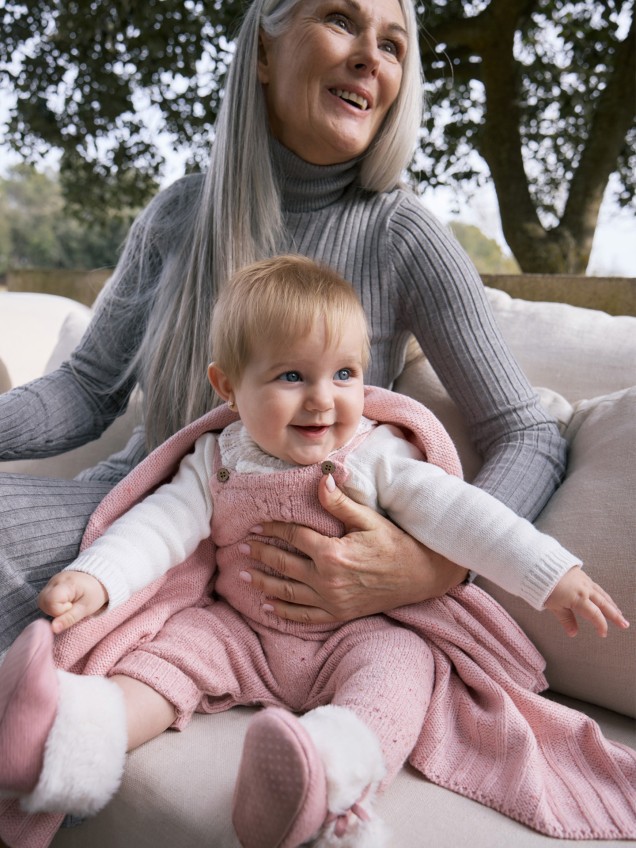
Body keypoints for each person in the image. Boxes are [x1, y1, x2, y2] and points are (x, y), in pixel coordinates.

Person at [0, 256, 630, 848]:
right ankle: (74, 738)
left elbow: (467, 518)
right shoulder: (217, 458)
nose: (323, 398)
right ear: (228, 386)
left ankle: (322, 778)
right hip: (238, 630)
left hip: (355, 634)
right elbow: (158, 527)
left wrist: (552, 574)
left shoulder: (377, 454)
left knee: (400, 670)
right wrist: (96, 577)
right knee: (165, 656)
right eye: (292, 375)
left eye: (345, 374)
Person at [0, 0, 568, 655]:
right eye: (340, 20)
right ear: (265, 54)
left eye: (393, 45)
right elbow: (86, 387)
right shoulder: (179, 214)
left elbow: (529, 434)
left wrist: (431, 564)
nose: (369, 57)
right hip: (144, 518)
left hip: (273, 554)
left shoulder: (403, 236)